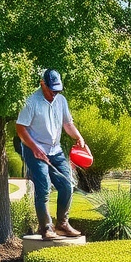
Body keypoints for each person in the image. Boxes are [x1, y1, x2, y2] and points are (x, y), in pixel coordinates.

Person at [15, 68, 87, 240]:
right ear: (42, 84)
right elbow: (20, 128)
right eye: (52, 89)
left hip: (55, 150)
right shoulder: (30, 102)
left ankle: (62, 224)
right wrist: (34, 147)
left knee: (67, 185)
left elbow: (68, 124)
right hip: (34, 150)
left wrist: (79, 138)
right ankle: (46, 228)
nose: (55, 93)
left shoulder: (61, 101)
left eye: (58, 90)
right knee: (44, 187)